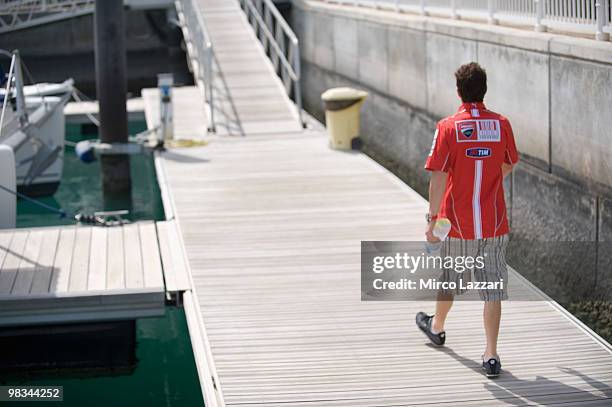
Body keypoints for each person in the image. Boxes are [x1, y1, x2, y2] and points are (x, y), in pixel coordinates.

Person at [415, 62, 519, 378]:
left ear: (458, 91)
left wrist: (433, 220)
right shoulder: (501, 124)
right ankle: (490, 354)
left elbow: (438, 176)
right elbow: (510, 162)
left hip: (457, 223)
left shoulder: (448, 127)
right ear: (484, 89)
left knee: (450, 279)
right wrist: (489, 180)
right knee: (493, 289)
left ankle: (437, 326)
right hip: (495, 222)